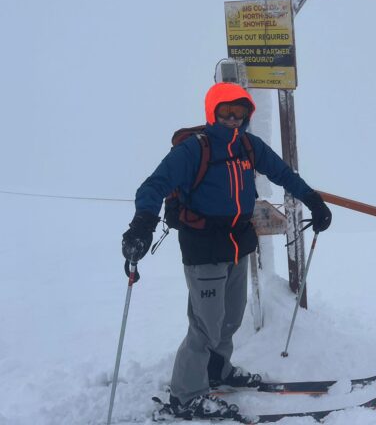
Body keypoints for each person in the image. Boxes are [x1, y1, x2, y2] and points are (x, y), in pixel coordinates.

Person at [121, 82, 332, 420]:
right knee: (206, 324)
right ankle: (185, 395)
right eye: (226, 113)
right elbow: (154, 185)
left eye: (240, 114)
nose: (234, 120)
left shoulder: (249, 145)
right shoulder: (194, 149)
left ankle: (216, 370)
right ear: (212, 113)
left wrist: (313, 200)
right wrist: (142, 224)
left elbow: (281, 173)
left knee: (231, 317)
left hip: (239, 243)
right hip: (203, 247)